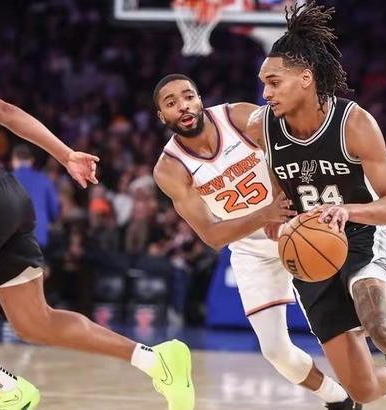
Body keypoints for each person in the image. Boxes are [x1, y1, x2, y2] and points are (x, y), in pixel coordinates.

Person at [246, 3, 386, 409]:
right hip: (309, 255)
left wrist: (348, 211)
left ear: (305, 79)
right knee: (361, 390)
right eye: (263, 84)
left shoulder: (354, 123)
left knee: (382, 327)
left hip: (360, 239)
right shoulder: (262, 127)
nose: (265, 93)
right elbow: (279, 187)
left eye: (273, 82)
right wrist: (277, 212)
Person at [0, 84, 194, 410]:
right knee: (34, 322)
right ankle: (155, 361)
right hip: (7, 193)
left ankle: (4, 387)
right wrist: (65, 154)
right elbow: (6, 111)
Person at [151, 73, 360, 409]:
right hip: (250, 248)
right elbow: (212, 236)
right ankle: (339, 399)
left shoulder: (238, 116)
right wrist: (265, 215)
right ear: (162, 116)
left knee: (351, 322)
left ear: (200, 99)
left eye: (188, 96)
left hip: (300, 224)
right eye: (171, 103)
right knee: (275, 352)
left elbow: (288, 150)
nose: (184, 106)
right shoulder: (170, 169)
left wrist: (279, 201)